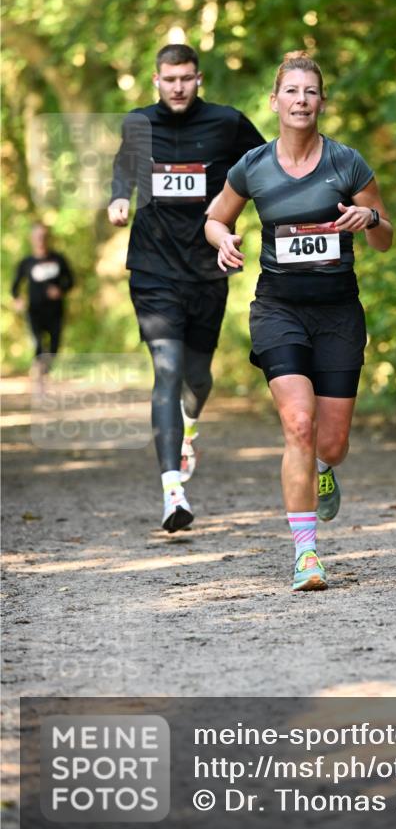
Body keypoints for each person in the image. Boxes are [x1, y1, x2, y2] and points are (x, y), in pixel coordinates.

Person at [205, 51, 392, 592]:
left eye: (311, 92)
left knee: (330, 445)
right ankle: (306, 555)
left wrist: (371, 219)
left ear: (322, 103)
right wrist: (224, 240)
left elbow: (385, 239)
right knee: (299, 426)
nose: (301, 101)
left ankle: (325, 470)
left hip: (338, 314)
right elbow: (216, 218)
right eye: (292, 92)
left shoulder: (348, 163)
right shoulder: (254, 165)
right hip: (278, 310)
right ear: (275, 101)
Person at [108, 43, 264, 533]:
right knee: (168, 371)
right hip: (153, 269)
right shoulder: (137, 123)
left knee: (198, 377)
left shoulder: (227, 123)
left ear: (199, 79)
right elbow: (123, 168)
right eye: (169, 79)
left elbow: (266, 165)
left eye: (187, 78)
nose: (178, 87)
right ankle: (172, 491)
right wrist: (118, 198)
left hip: (207, 267)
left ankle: (189, 428)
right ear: (156, 80)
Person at [11, 222, 74, 393]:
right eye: (38, 236)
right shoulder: (26, 263)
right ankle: (39, 381)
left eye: (44, 236)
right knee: (38, 343)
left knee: (54, 347)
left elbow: (70, 281)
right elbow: (15, 287)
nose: (41, 240)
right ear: (32, 238)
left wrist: (60, 290)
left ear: (48, 238)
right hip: (35, 312)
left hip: (55, 312)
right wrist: (17, 300)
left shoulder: (58, 259)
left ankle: (43, 373)